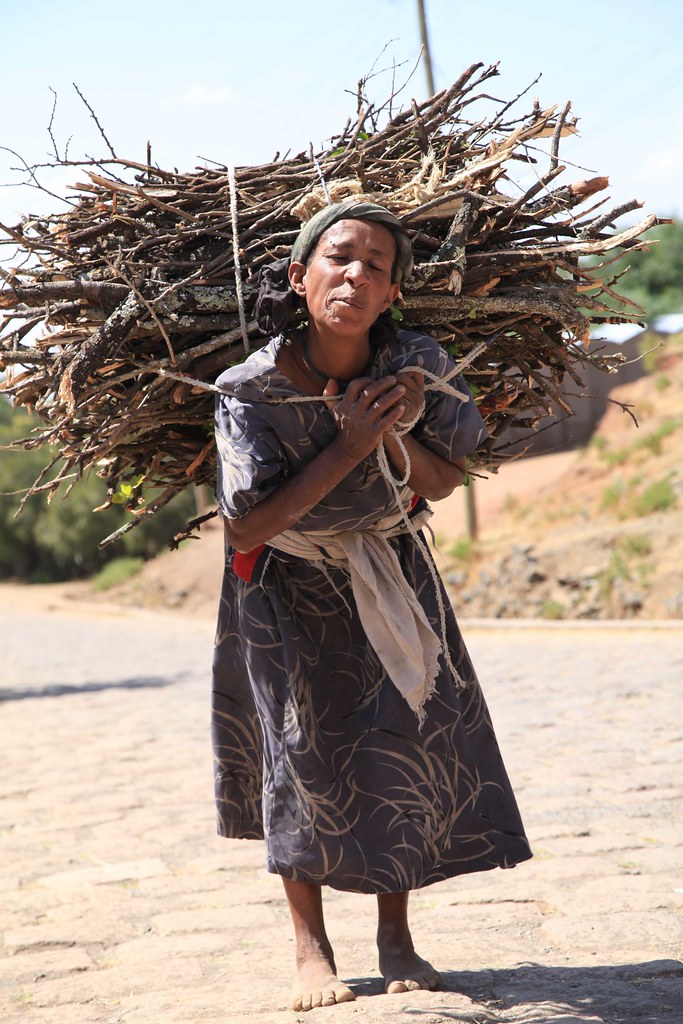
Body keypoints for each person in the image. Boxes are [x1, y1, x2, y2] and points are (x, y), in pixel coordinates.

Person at [212, 199, 532, 1012]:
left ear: (392, 293)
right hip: (287, 584)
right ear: (300, 275)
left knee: (401, 742)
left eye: (375, 266)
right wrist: (347, 445)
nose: (355, 274)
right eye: (338, 257)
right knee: (297, 752)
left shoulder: (417, 366)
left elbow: (443, 481)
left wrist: (388, 436)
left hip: (390, 570)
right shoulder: (246, 389)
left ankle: (396, 937)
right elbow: (246, 520)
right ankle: (309, 949)